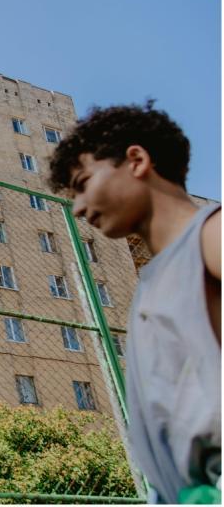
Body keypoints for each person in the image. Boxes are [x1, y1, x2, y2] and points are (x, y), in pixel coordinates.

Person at [48, 101, 220, 504]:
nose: (77, 207)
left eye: (84, 182)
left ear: (137, 160)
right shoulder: (150, 281)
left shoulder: (211, 235)